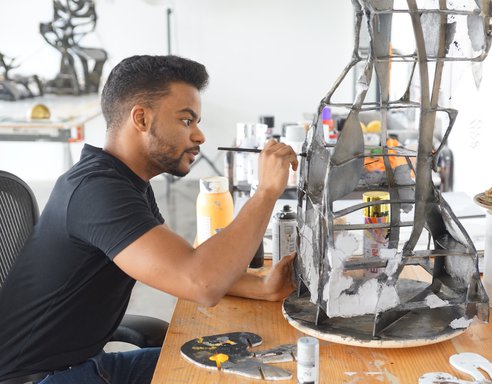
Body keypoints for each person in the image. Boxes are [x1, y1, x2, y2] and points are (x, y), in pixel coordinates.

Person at [0, 55, 298, 383]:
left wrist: (262, 288)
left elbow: (178, 266)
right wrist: (266, 192)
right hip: (43, 379)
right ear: (141, 118)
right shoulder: (96, 191)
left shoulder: (125, 183)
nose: (199, 136)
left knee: (242, 370)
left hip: (89, 366)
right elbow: (201, 283)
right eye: (187, 121)